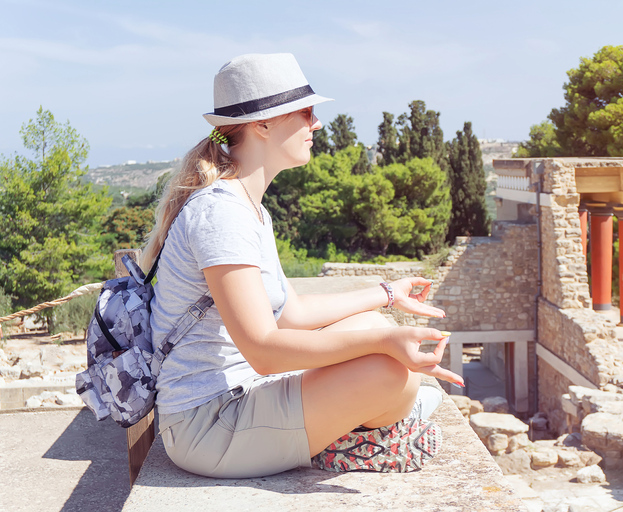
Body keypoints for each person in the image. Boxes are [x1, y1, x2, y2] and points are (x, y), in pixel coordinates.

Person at [140, 53, 464, 479]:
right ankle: (364, 429)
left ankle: (363, 418)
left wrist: (387, 295)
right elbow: (262, 351)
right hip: (210, 426)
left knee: (368, 325)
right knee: (392, 372)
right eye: (306, 112)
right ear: (263, 124)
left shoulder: (248, 206)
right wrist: (386, 344)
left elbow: (292, 315)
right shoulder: (222, 214)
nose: (317, 123)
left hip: (238, 399)